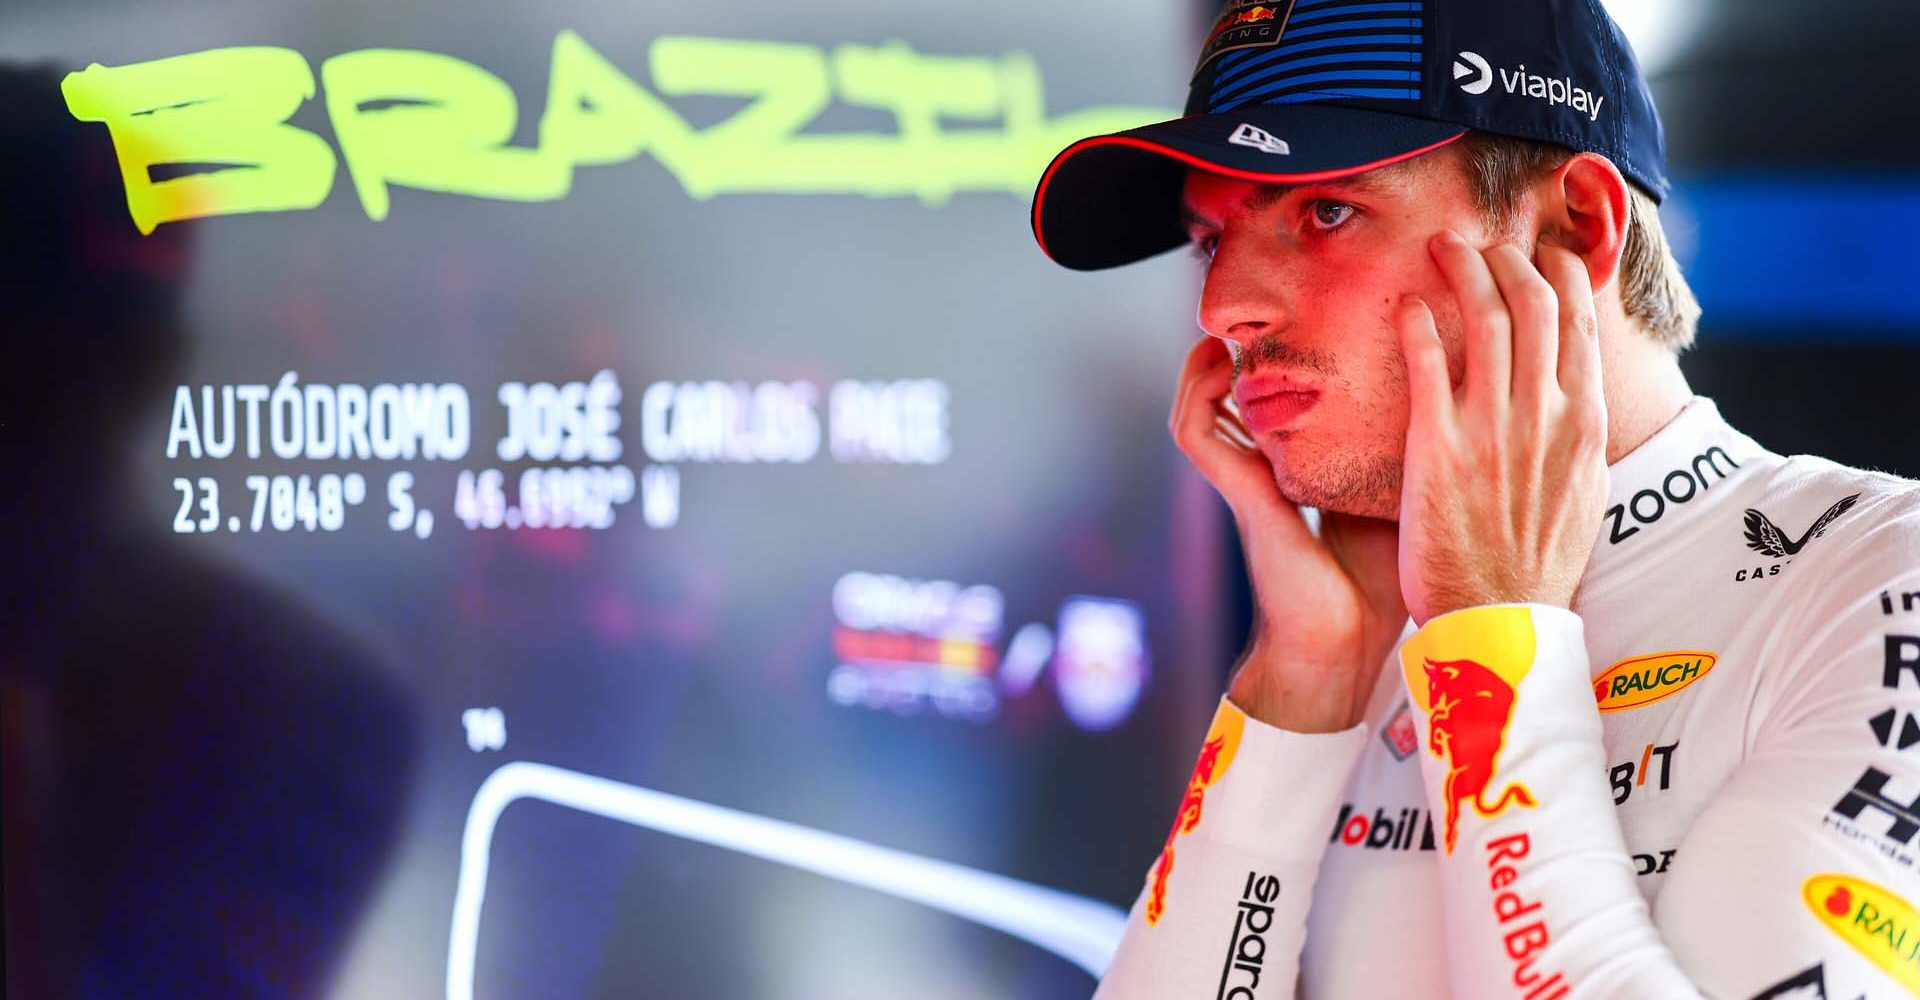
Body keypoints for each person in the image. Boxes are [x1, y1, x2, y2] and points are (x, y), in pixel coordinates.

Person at [1028, 1, 1920, 997]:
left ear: (1571, 227)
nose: (1221, 303)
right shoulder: (1341, 641)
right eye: (1209, 240)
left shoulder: (1881, 577)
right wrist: (1305, 684)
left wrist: (1493, 632)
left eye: (1325, 211)